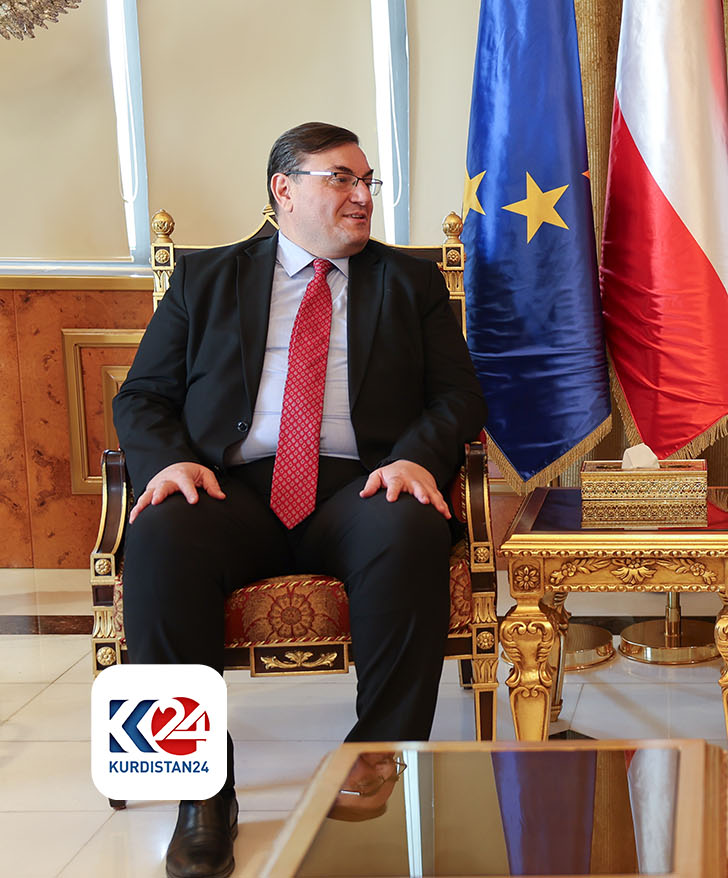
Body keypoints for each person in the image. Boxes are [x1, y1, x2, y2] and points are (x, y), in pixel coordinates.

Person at [113, 121, 487, 878]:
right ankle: (199, 791)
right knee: (158, 537)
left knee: (411, 524)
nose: (362, 196)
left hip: (361, 483)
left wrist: (415, 458)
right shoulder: (204, 279)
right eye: (341, 179)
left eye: (368, 182)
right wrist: (170, 463)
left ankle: (377, 760)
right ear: (284, 189)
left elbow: (457, 397)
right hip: (230, 486)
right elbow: (143, 397)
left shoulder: (408, 284)